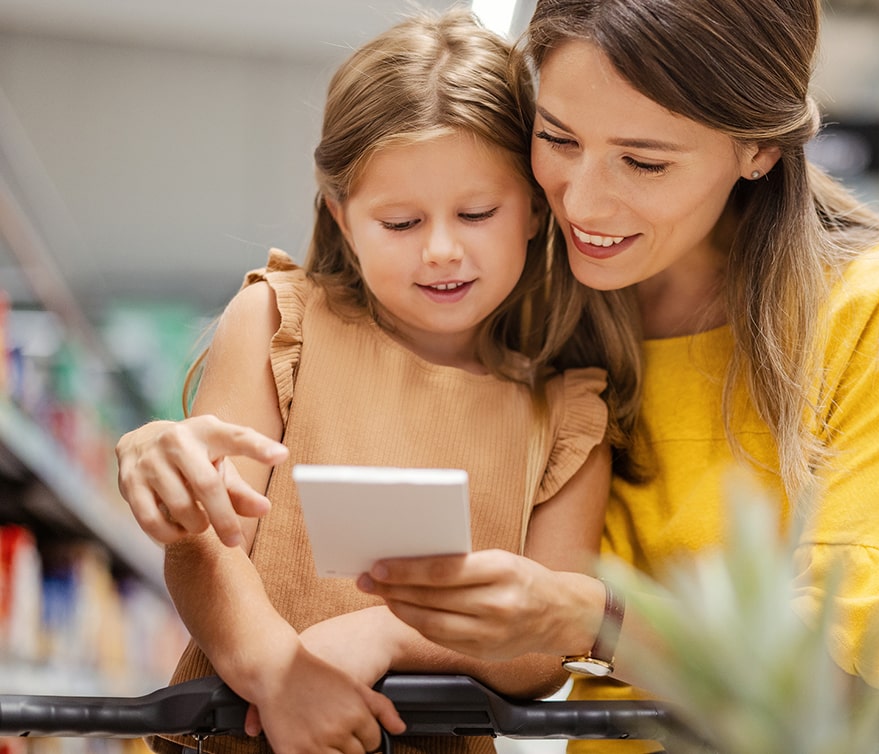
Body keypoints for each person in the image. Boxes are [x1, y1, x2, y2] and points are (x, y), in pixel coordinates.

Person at [119, 1, 879, 752]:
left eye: (645, 162)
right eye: (557, 138)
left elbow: (832, 650)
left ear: (758, 149)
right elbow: (337, 359)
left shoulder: (876, 303)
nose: (582, 200)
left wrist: (587, 620)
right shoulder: (535, 292)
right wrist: (162, 451)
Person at [115, 9, 638, 754]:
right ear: (341, 214)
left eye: (478, 212)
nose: (442, 251)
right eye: (399, 222)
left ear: (532, 209)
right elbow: (205, 544)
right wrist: (279, 672)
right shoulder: (277, 323)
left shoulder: (568, 414)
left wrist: (385, 632)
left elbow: (540, 649)